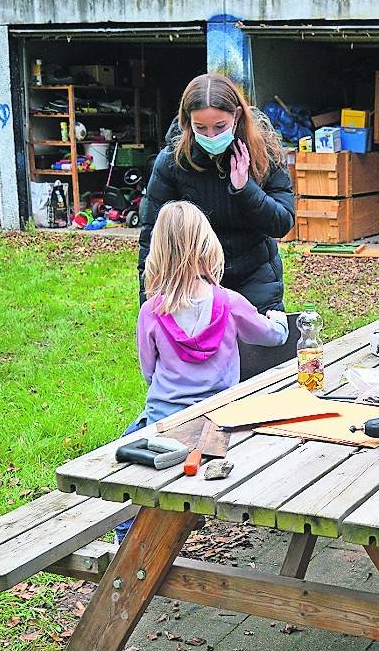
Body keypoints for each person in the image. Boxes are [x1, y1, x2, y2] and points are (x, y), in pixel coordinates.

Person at [114, 200, 288, 543]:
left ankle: (124, 536)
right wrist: (277, 318)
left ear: (158, 253)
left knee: (120, 459)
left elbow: (149, 374)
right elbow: (273, 336)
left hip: (165, 420)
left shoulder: (151, 312)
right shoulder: (229, 302)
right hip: (219, 419)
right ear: (208, 247)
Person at [138, 73, 294, 314]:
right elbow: (152, 238)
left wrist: (245, 189)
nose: (211, 136)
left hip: (255, 278)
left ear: (237, 115)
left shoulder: (264, 152)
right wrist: (148, 309)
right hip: (194, 282)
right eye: (201, 128)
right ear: (188, 122)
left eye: (220, 127)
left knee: (260, 349)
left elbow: (282, 223)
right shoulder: (171, 162)